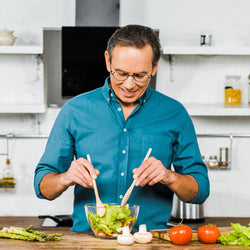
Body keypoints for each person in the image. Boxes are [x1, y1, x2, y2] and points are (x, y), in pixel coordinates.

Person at [34, 24, 209, 231]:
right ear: (108, 61)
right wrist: (65, 178)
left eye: (139, 75)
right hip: (88, 241)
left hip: (149, 241)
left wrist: (169, 176)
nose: (129, 85)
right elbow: (42, 187)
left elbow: (200, 190)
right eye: (121, 73)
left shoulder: (174, 113)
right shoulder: (74, 111)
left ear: (154, 67)